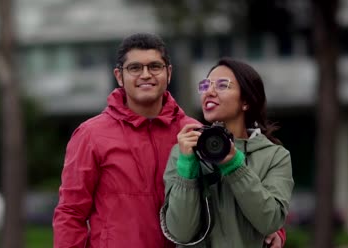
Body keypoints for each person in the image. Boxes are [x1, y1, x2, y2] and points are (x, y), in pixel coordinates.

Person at [53, 33, 287, 247]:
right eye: (135, 68)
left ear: (169, 73)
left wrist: (274, 229)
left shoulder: (195, 133)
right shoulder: (91, 134)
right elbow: (70, 212)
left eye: (155, 66)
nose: (146, 75)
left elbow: (228, 199)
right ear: (119, 76)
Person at [160, 57, 294, 248]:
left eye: (222, 85)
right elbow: (180, 232)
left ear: (246, 101)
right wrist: (187, 171)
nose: (209, 92)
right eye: (205, 85)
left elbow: (270, 221)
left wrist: (235, 167)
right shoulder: (184, 151)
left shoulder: (274, 156)